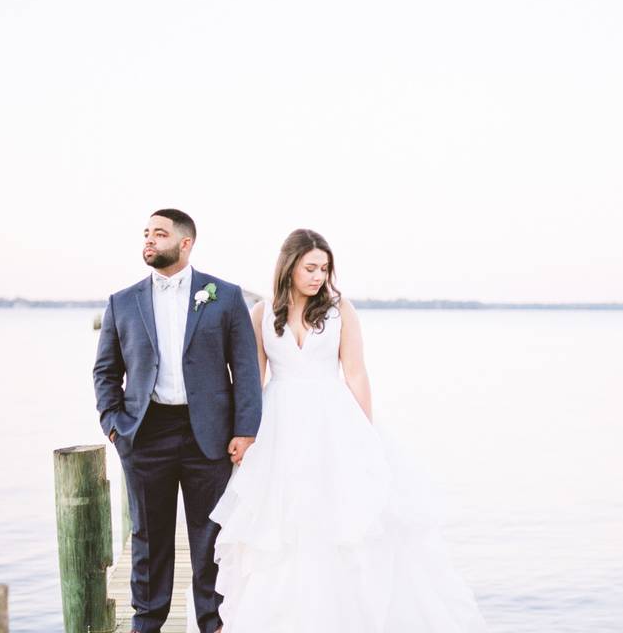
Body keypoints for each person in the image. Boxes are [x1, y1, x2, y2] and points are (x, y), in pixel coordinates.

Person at [206, 229, 486, 632]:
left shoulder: (339, 310)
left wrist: (365, 435)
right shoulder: (263, 313)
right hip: (279, 425)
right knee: (282, 524)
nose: (319, 276)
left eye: (324, 268)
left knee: (337, 515)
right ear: (289, 266)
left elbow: (355, 373)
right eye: (310, 267)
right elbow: (254, 379)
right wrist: (245, 432)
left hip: (332, 421)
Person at [93, 209, 262, 633]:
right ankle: (147, 622)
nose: (149, 240)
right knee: (149, 539)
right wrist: (114, 425)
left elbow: (244, 369)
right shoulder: (122, 301)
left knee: (211, 538)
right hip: (145, 433)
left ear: (185, 243)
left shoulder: (223, 295)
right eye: (146, 233)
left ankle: (214, 623)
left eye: (160, 233)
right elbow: (106, 371)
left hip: (209, 435)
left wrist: (246, 430)